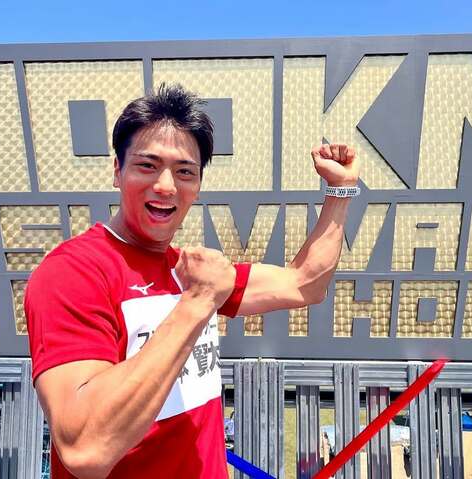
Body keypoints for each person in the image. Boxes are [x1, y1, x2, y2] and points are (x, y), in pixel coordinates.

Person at [25, 83, 361, 479]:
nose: (166, 186)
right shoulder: (73, 272)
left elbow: (305, 284)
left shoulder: (191, 270)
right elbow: (84, 448)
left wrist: (340, 190)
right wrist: (198, 302)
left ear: (197, 186)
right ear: (117, 171)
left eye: (185, 171)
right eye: (147, 165)